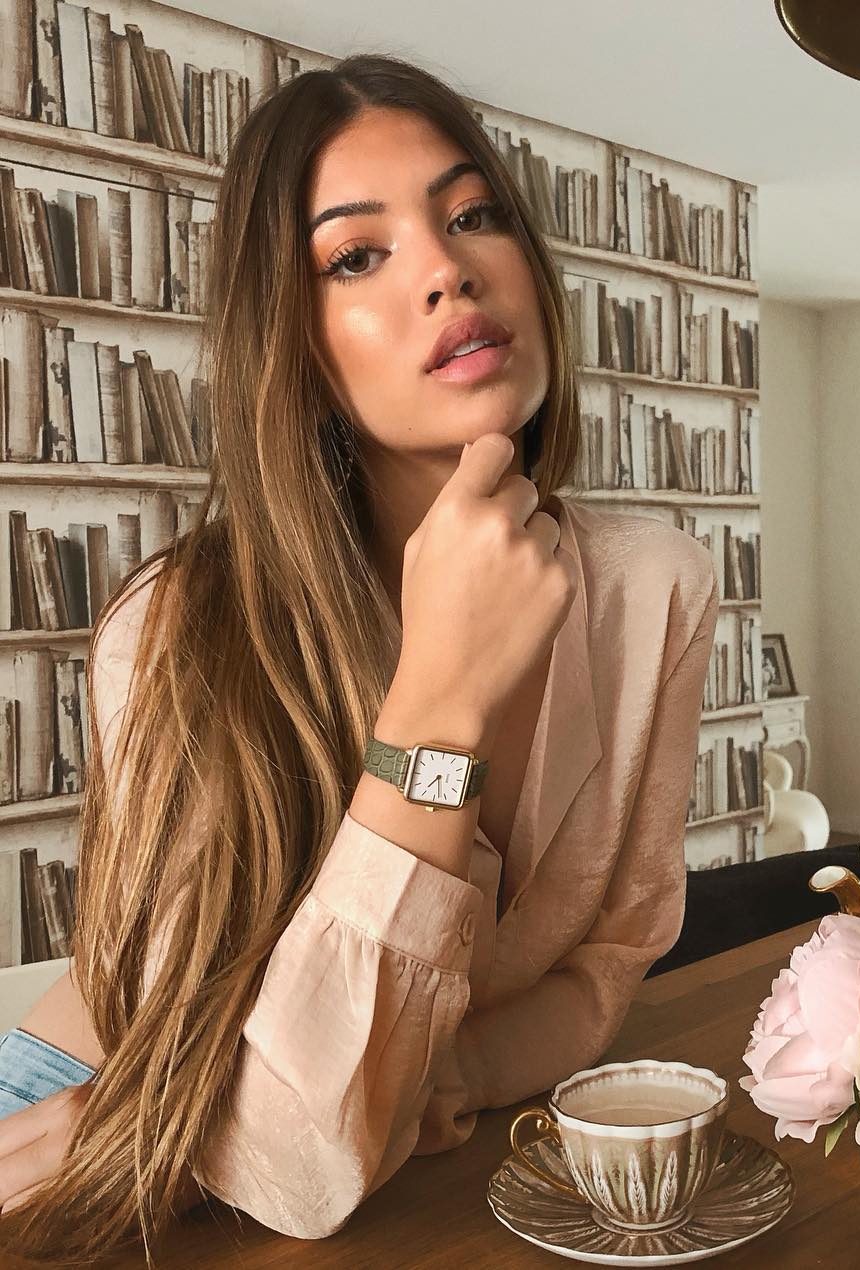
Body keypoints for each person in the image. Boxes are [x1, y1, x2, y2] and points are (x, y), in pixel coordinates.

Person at [0, 52, 719, 1263]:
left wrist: (453, 1066)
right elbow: (281, 1159)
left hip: (406, 1156)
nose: (448, 269)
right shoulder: (176, 631)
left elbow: (609, 964)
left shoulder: (657, 587)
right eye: (356, 255)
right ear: (295, 346)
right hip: (91, 1131)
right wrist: (440, 704)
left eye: (472, 214)